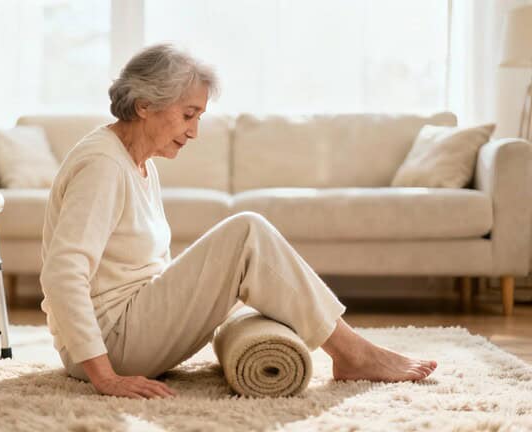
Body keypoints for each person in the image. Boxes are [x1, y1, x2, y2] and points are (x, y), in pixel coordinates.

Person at [39, 43, 437, 400]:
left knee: (248, 259)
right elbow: (62, 274)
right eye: (188, 115)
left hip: (132, 324)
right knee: (247, 231)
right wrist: (105, 377)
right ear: (145, 105)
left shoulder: (137, 161)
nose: (194, 132)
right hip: (112, 344)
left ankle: (350, 348)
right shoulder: (103, 166)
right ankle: (352, 353)